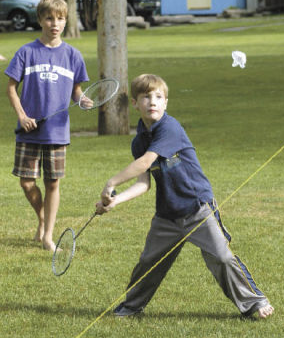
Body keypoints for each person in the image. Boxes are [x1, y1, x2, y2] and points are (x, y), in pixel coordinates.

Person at [96, 74, 274, 319]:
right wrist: (115, 200)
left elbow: (146, 161)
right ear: (135, 104)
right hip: (167, 215)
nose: (153, 102)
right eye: (146, 97)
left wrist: (112, 182)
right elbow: (143, 183)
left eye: (158, 96)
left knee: (222, 258)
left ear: (166, 102)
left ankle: (254, 302)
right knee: (148, 263)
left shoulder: (170, 128)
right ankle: (132, 306)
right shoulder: (139, 141)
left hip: (197, 207)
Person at [5, 0, 90, 251]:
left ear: (66, 21)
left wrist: (82, 98)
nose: (55, 23)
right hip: (29, 129)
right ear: (40, 19)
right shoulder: (26, 52)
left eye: (61, 18)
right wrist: (21, 115)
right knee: (26, 182)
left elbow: (77, 89)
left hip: (56, 131)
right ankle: (42, 218)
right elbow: (11, 87)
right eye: (50, 18)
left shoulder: (73, 55)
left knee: (52, 183)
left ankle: (48, 236)